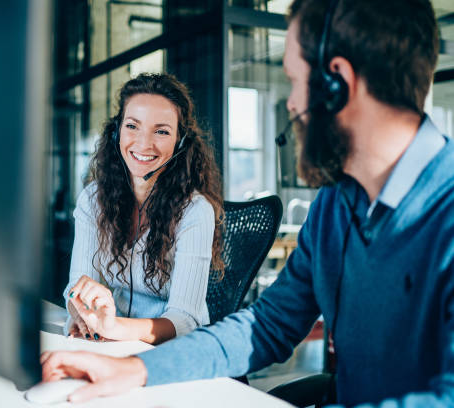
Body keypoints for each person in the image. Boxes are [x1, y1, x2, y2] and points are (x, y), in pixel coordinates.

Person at [41, 0, 454, 406]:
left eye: (294, 80)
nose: (292, 103)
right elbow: (268, 325)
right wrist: (138, 369)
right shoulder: (336, 203)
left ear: (337, 84)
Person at [63, 73, 224, 345]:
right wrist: (80, 312)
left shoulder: (195, 211)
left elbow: (184, 320)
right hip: (107, 345)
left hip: (168, 353)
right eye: (132, 126)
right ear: (117, 132)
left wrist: (114, 328)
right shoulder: (94, 198)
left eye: (161, 131)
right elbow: (76, 287)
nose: (143, 143)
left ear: (180, 142)